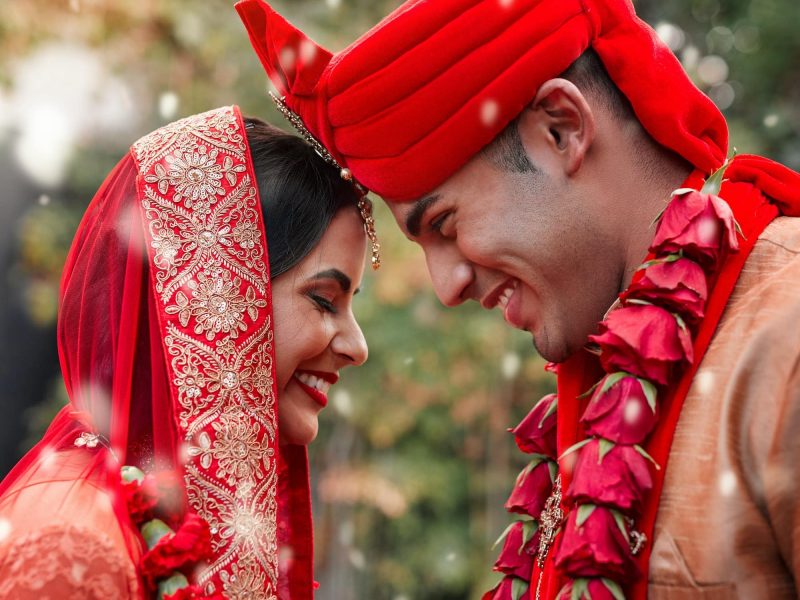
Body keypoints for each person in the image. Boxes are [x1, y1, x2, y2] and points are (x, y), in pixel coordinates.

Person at [236, 0, 800, 598]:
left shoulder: (783, 332)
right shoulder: (601, 369)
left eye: (446, 226)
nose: (447, 288)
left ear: (561, 128)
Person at [0, 105, 370, 599]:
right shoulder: (70, 548)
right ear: (216, 295)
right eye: (324, 300)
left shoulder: (160, 512)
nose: (357, 347)